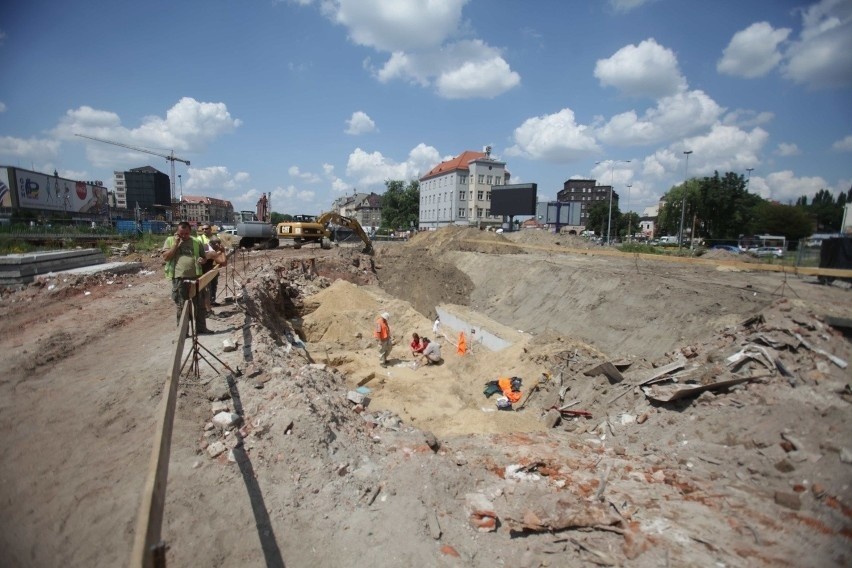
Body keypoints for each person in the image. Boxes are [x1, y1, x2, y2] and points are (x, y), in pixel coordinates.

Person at [162, 221, 211, 334]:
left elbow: (204, 258)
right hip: (179, 279)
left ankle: (201, 328)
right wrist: (175, 243)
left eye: (186, 233)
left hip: (196, 277)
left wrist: (202, 260)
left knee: (200, 304)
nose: (184, 236)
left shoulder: (196, 241)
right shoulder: (170, 240)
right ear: (177, 232)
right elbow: (166, 257)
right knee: (182, 307)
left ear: (190, 232)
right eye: (181, 233)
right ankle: (183, 333)